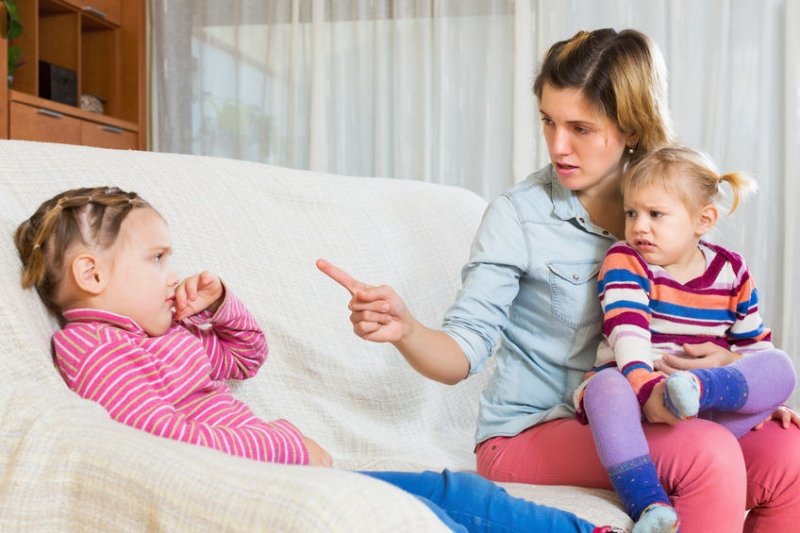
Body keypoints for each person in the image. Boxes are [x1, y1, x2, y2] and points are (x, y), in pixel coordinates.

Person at [317, 28, 800, 533]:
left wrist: (744, 379)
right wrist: (407, 329)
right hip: (537, 430)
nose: (558, 146)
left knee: (790, 455)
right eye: (548, 122)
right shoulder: (520, 216)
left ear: (631, 128)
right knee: (706, 451)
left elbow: (722, 315)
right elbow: (463, 350)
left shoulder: (670, 195)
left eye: (581, 128)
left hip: (655, 407)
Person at [14, 185, 623, 533]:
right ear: (90, 274)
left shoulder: (168, 327)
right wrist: (288, 447)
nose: (171, 274)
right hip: (260, 489)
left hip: (293, 471)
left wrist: (221, 307)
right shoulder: (93, 347)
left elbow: (245, 358)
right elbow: (157, 435)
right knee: (433, 519)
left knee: (458, 491)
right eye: (157, 259)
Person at [572, 146, 797, 532]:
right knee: (604, 387)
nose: (639, 225)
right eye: (632, 213)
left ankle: (695, 386)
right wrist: (647, 388)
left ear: (703, 219)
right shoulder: (626, 260)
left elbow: (753, 349)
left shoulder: (733, 271)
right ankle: (648, 503)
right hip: (636, 400)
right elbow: (628, 333)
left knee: (781, 366)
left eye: (655, 214)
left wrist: (770, 399)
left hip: (702, 407)